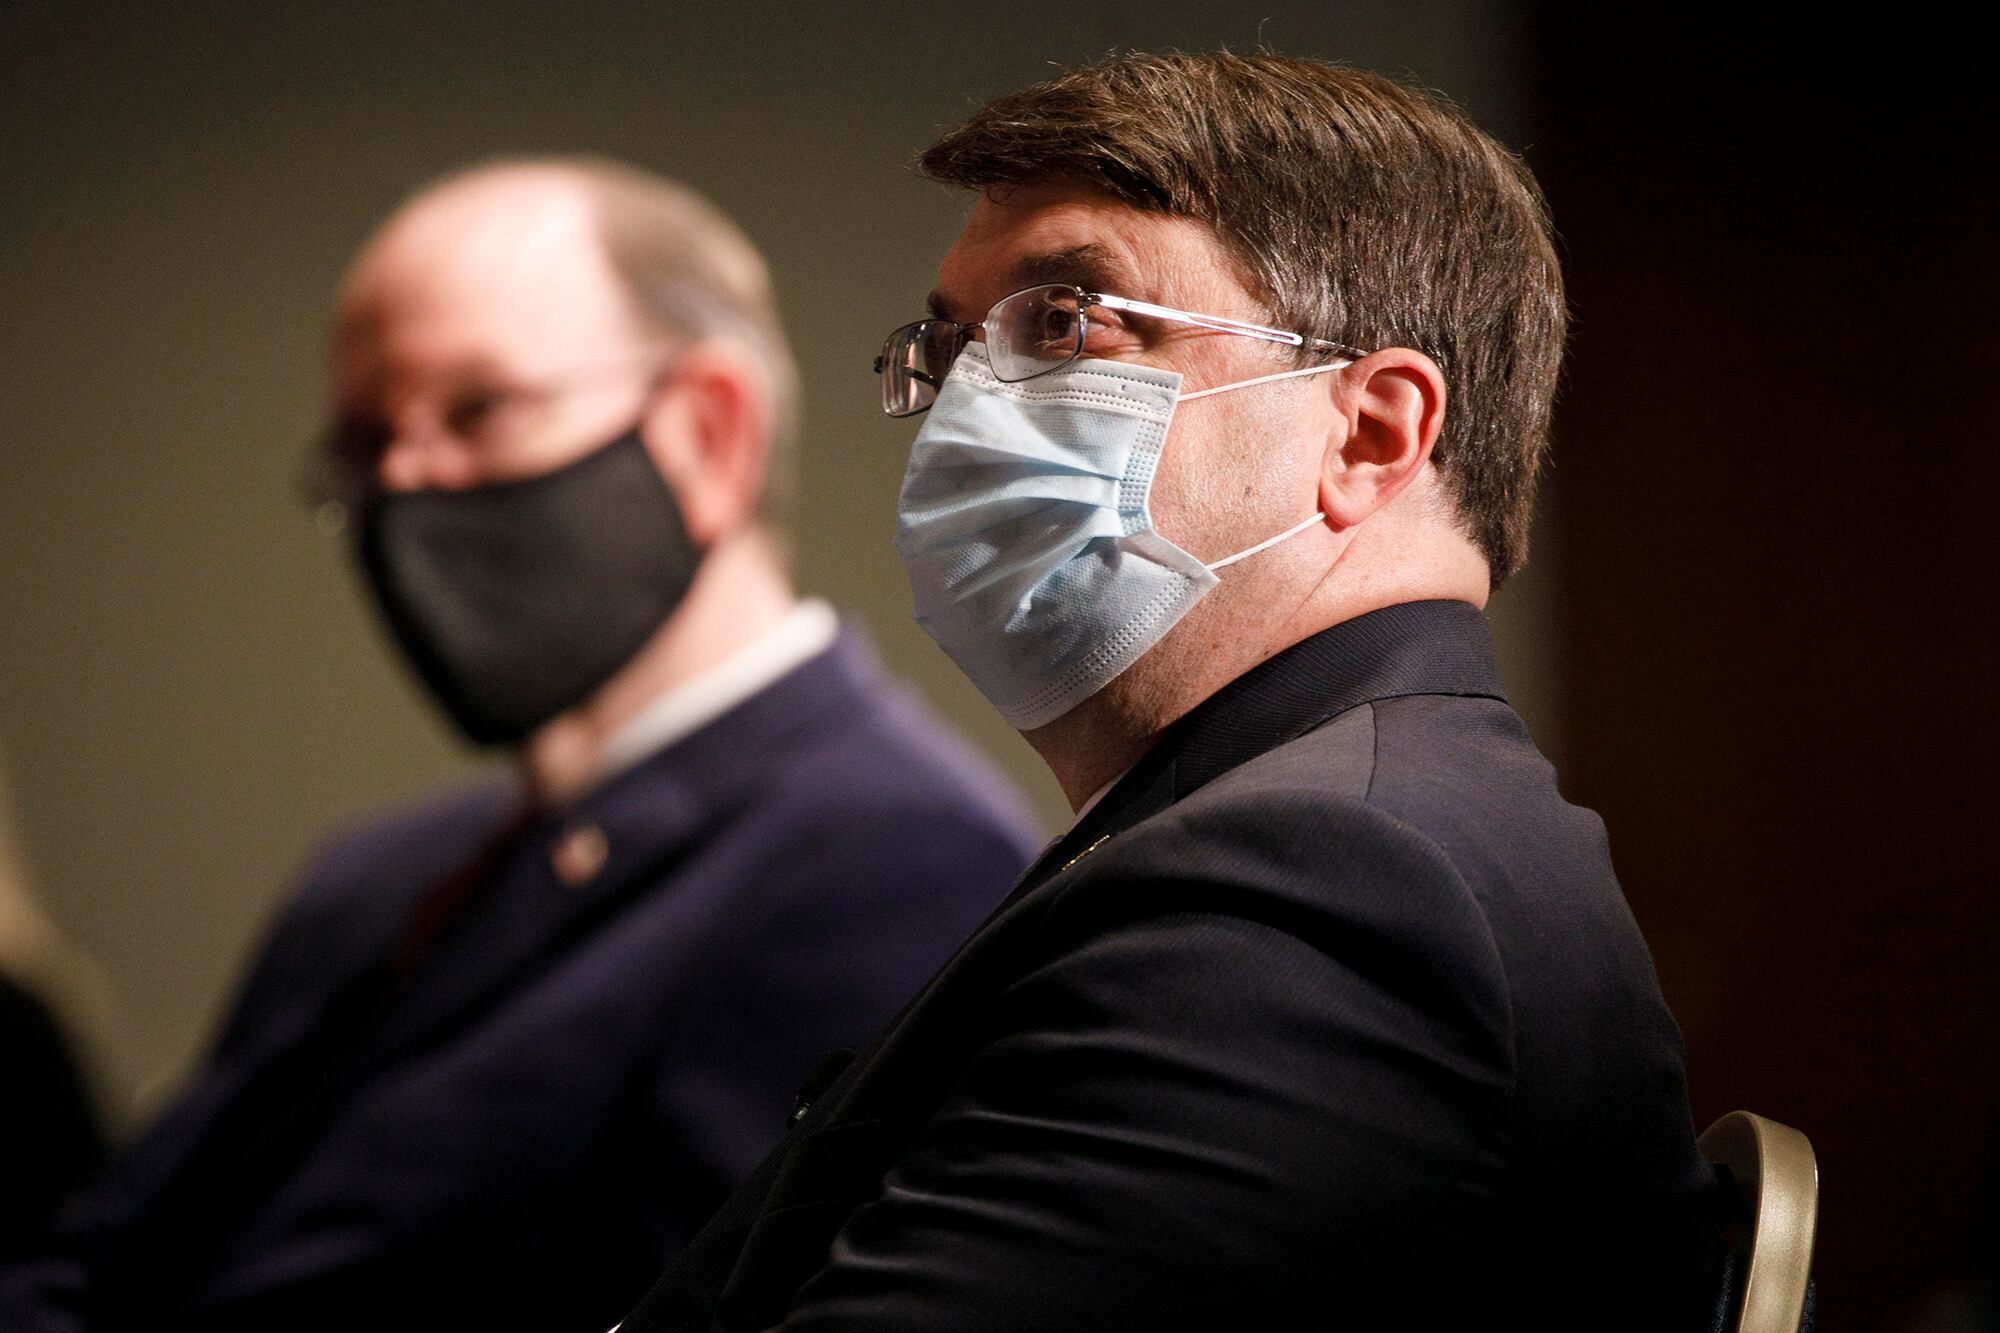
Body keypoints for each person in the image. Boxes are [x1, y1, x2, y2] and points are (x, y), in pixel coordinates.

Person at [617, 53, 1726, 1333]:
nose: (964, 408)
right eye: (953, 346)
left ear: (1366, 435)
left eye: (1067, 320)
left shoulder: (1328, 893)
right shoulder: (1298, 821)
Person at [0, 158, 1039, 1333]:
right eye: (362, 444)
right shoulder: (371, 878)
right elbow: (100, 1254)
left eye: (475, 409)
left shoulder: (883, 860)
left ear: (706, 432)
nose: (401, 487)